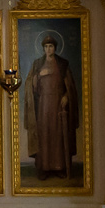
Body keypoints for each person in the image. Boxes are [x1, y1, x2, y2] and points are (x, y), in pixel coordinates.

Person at [25, 33, 76, 180]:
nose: (48, 49)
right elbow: (31, 86)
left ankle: (59, 168)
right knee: (44, 134)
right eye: (46, 47)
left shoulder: (63, 64)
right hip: (43, 105)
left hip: (58, 104)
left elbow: (70, 85)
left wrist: (66, 96)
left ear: (55, 48)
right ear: (43, 48)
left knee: (57, 135)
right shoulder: (37, 64)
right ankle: (44, 168)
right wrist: (38, 77)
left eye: (51, 46)